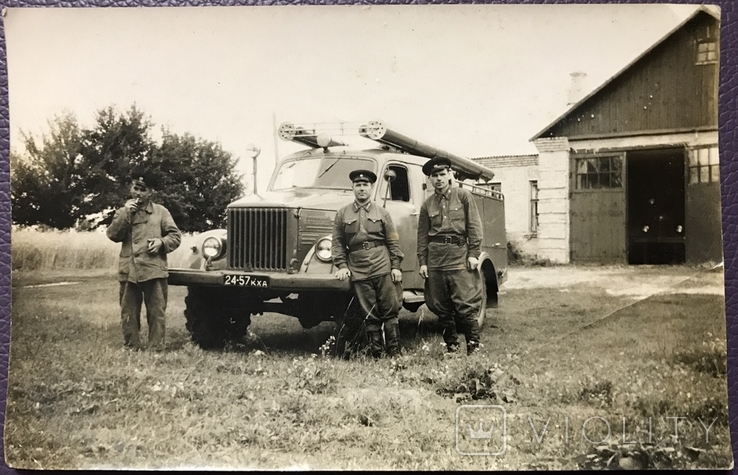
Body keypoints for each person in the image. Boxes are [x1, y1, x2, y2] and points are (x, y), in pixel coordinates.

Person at [331, 169, 404, 358]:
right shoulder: (342, 213)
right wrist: (342, 266)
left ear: (371, 188)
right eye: (358, 185)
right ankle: (377, 352)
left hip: (382, 265)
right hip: (358, 268)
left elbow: (393, 241)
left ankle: (394, 351)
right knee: (370, 312)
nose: (361, 189)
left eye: (365, 185)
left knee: (390, 309)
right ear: (352, 187)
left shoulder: (382, 213)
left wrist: (395, 266)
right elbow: (337, 242)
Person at [106, 171, 182, 351]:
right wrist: (126, 214)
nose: (138, 193)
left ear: (150, 192)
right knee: (129, 311)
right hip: (129, 270)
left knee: (157, 311)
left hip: (153, 269)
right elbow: (113, 235)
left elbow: (175, 236)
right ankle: (131, 346)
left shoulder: (161, 212)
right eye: (135, 188)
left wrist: (161, 242)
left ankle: (156, 348)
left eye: (143, 189)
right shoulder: (123, 212)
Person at [417, 157, 484, 356]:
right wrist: (422, 262)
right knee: (441, 306)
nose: (438, 179)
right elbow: (422, 236)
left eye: (442, 174)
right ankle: (452, 349)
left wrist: (473, 254)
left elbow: (474, 227)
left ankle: (474, 349)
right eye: (434, 176)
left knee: (465, 305)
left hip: (459, 256)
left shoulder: (463, 196)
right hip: (436, 259)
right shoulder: (427, 205)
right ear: (429, 179)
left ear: (449, 175)